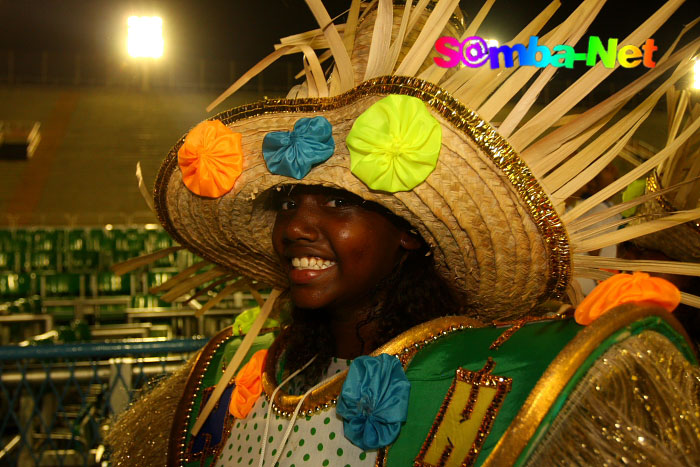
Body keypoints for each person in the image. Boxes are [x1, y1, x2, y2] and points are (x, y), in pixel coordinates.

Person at [106, 1, 700, 466]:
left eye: (338, 202)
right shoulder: (225, 382)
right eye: (289, 199)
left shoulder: (492, 382)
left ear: (410, 236)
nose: (297, 226)